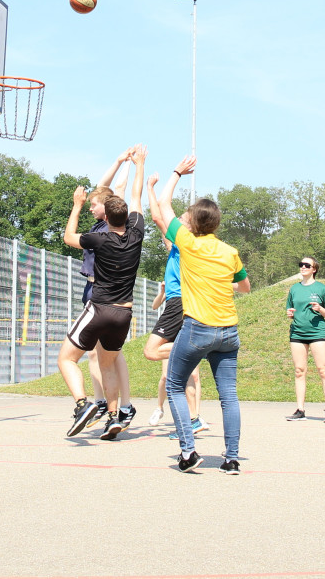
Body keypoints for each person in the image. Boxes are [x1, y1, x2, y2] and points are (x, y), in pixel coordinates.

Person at [148, 157, 250, 474]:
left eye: (188, 215)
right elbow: (244, 287)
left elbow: (163, 204)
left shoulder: (187, 243)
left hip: (198, 328)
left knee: (175, 386)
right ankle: (231, 458)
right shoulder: (229, 252)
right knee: (229, 396)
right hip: (228, 331)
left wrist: (177, 172)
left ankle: (188, 452)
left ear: (192, 222)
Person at [58, 146, 146, 441]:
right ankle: (112, 416)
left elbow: (69, 237)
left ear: (106, 216)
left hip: (100, 308)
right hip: (124, 313)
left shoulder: (100, 239)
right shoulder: (136, 234)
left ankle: (83, 404)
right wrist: (139, 165)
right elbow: (136, 196)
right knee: (107, 363)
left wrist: (77, 205)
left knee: (66, 360)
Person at [78, 149, 139, 429]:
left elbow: (117, 190)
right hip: (92, 291)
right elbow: (101, 189)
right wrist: (119, 160)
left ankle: (124, 404)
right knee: (94, 352)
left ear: (108, 206)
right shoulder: (98, 223)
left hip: (106, 296)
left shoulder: (112, 226)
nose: (91, 207)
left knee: (112, 353)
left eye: (94, 204)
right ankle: (102, 401)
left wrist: (130, 166)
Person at [142, 222, 207, 436]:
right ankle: (190, 418)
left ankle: (196, 348)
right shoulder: (180, 251)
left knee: (152, 352)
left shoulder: (183, 248)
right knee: (177, 376)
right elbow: (164, 232)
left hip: (178, 305)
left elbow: (165, 227)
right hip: (182, 308)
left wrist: (151, 191)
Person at [284, 257, 325, 423]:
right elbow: (289, 309)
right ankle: (300, 410)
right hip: (298, 333)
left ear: (314, 269)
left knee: (322, 369)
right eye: (301, 264)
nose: (303, 267)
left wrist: (320, 309)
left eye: (307, 265)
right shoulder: (294, 289)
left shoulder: (322, 289)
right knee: (299, 370)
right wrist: (290, 313)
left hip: (317, 332)